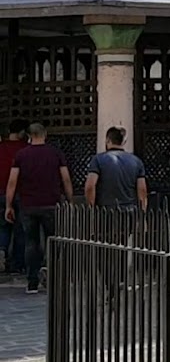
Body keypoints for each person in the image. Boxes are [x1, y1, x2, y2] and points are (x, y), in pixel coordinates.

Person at [4, 123, 73, 294]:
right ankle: (52, 273)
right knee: (54, 240)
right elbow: (66, 179)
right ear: (45, 134)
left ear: (29, 135)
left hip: (28, 204)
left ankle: (32, 281)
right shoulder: (55, 153)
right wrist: (70, 200)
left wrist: (9, 205)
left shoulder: (21, 155)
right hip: (51, 203)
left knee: (31, 242)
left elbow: (12, 182)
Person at [86, 126, 148, 299]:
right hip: (128, 211)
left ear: (107, 140)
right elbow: (142, 191)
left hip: (104, 211)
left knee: (103, 249)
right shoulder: (136, 161)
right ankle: (119, 279)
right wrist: (142, 214)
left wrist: (91, 207)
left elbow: (90, 186)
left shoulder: (98, 160)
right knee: (121, 246)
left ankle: (109, 282)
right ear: (124, 142)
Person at [0, 121, 26, 276]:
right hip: (20, 194)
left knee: (2, 227)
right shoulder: (24, 150)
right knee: (20, 230)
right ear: (23, 133)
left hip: (0, 192)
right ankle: (17, 264)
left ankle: (2, 250)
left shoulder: (1, 148)